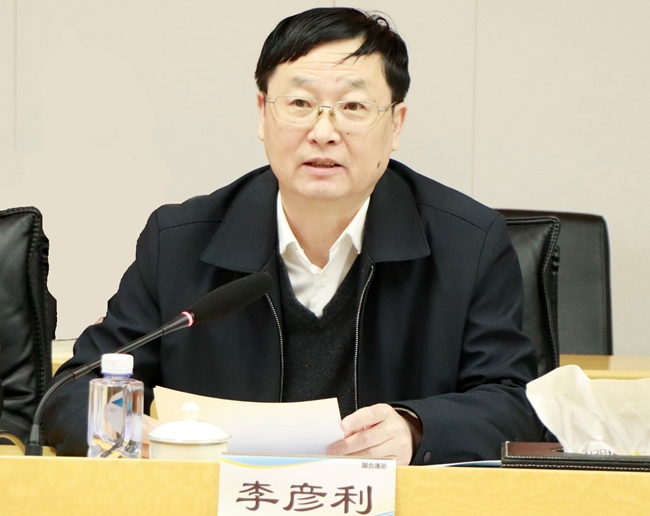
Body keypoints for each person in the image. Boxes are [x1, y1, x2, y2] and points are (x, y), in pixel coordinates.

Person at [43, 7, 544, 465]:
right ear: (262, 113)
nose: (323, 132)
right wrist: (127, 430)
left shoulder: (469, 243)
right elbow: (71, 390)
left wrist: (417, 428)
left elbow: (517, 403)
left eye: (353, 106)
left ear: (396, 124)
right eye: (301, 102)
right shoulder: (178, 243)